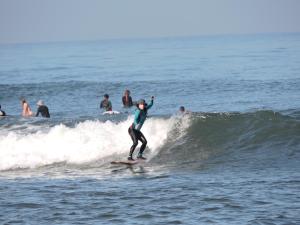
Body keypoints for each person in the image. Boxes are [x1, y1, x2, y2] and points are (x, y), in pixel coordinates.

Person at [127, 96, 154, 161]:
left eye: (143, 104)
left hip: (137, 130)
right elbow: (136, 118)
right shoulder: (138, 111)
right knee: (135, 142)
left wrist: (152, 100)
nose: (142, 105)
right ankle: (129, 157)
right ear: (138, 105)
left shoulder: (145, 109)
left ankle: (139, 155)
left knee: (144, 142)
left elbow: (150, 105)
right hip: (132, 129)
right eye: (140, 104)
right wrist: (137, 122)